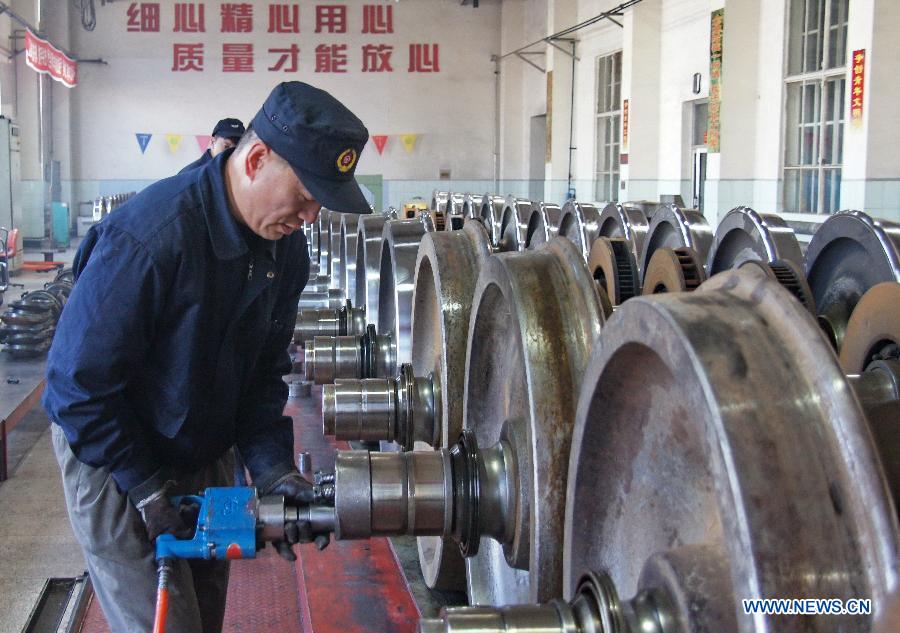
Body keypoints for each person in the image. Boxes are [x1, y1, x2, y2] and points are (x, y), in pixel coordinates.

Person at [43, 82, 370, 633]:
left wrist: (272, 471)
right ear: (257, 159)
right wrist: (145, 487)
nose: (310, 215)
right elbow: (77, 387)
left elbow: (264, 374)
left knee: (205, 612)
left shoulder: (285, 249)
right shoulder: (152, 237)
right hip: (116, 453)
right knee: (167, 624)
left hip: (202, 442)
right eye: (306, 193)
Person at [179, 117, 246, 173]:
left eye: (238, 147)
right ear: (213, 142)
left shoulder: (241, 172)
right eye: (226, 146)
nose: (232, 153)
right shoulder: (191, 173)